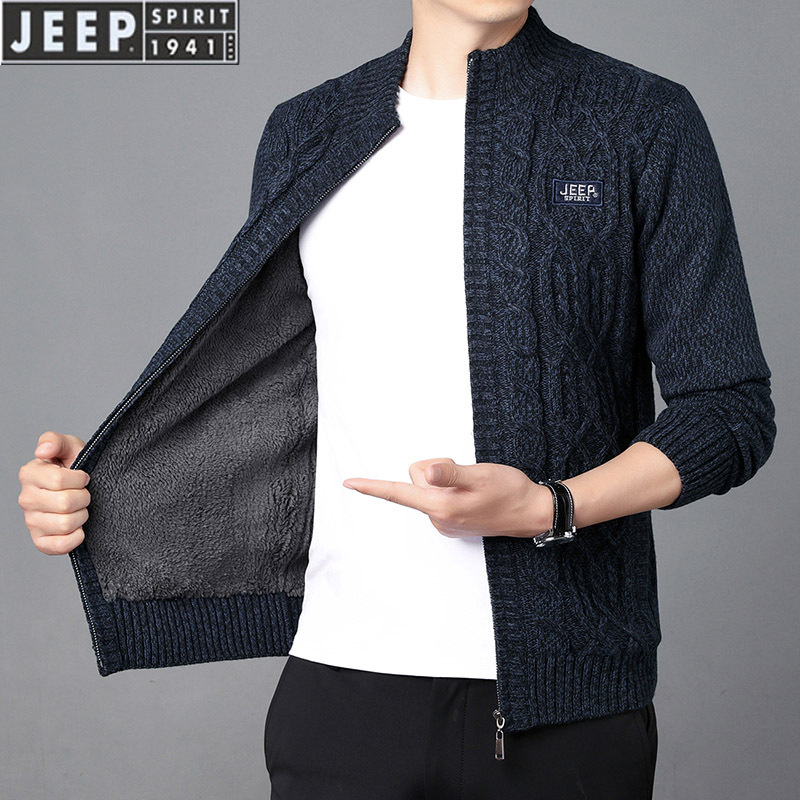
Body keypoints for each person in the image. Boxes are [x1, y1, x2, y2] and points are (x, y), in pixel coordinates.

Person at [17, 2, 776, 798]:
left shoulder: (641, 119)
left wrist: (549, 506)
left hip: (565, 707)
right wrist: (111, 479)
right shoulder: (308, 131)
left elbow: (729, 409)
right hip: (341, 689)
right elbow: (283, 402)